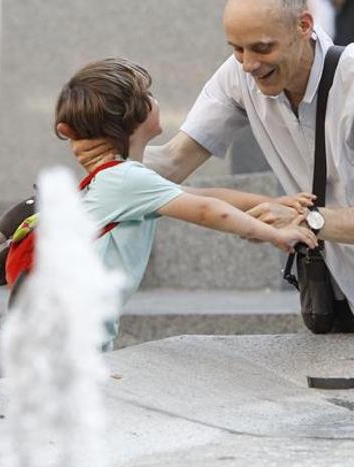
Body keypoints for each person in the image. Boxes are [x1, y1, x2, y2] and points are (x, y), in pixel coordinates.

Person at [63, 0, 354, 334]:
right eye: (236, 48)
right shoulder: (239, 74)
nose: (248, 64)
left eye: (262, 48)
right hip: (346, 305)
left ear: (304, 26)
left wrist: (306, 220)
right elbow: (171, 164)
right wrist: (106, 154)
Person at [42, 57, 317, 349]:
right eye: (147, 95)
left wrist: (274, 203)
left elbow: (206, 196)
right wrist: (275, 234)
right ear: (132, 115)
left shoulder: (123, 177)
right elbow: (207, 211)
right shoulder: (124, 180)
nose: (154, 99)